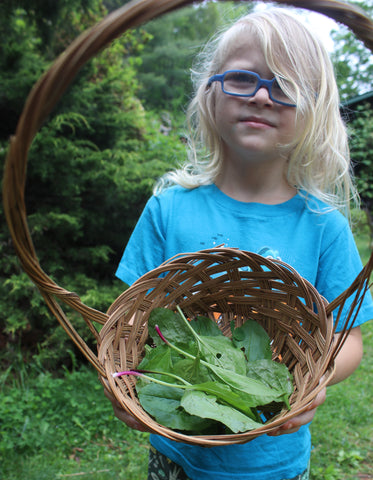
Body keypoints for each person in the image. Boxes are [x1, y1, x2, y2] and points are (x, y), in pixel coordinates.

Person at [106, 7, 373, 480]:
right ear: (211, 93)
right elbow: (129, 320)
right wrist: (124, 381)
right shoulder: (169, 209)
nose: (263, 96)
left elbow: (347, 340)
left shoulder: (321, 225)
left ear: (315, 109)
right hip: (179, 451)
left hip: (275, 455)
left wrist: (312, 381)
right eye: (244, 79)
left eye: (286, 85)